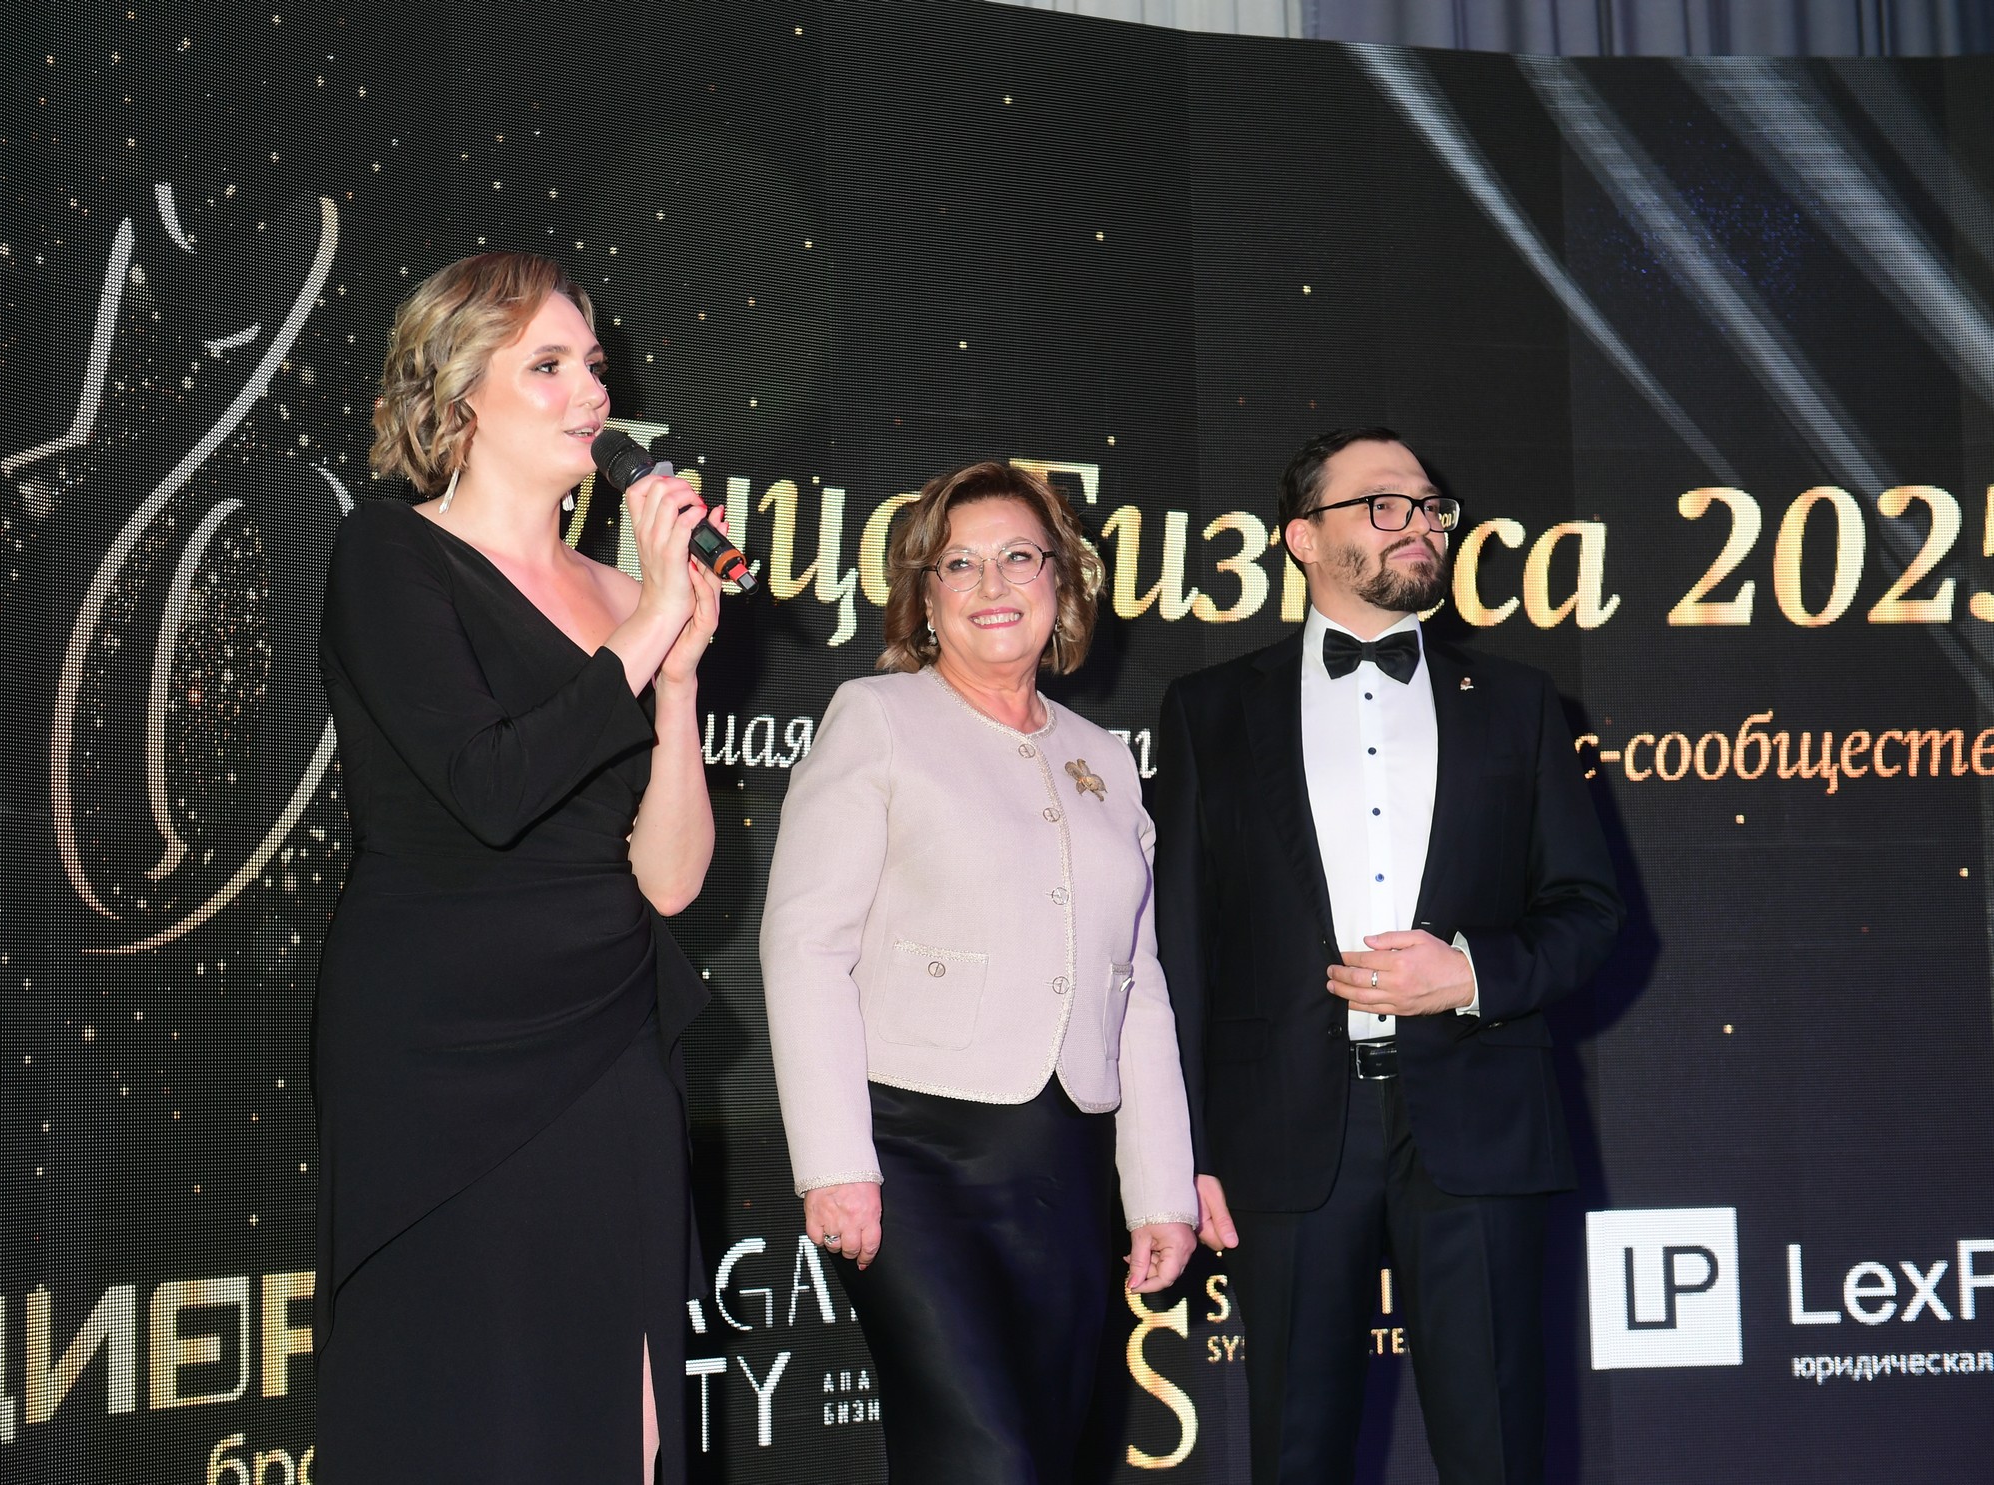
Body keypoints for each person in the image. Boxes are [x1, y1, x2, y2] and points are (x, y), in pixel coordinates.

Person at [310, 251, 726, 1482]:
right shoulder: (390, 554)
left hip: (606, 1024)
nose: (591, 391)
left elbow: (670, 883)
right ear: (457, 397)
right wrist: (650, 626)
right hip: (436, 1040)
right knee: (462, 1413)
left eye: (591, 364)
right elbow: (489, 788)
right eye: (547, 365)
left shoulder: (621, 595)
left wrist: (679, 680)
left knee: (629, 1418)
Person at [1155, 427, 1623, 1484]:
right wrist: (1184, 1149)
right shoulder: (1209, 712)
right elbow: (1179, 944)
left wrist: (1470, 974)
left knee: (1498, 1450)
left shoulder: (1519, 704)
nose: (1419, 524)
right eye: (1383, 504)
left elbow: (1588, 911)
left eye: (1428, 507)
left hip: (1479, 1120)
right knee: (1295, 1451)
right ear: (1301, 538)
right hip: (1280, 1127)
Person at [761, 460, 1199, 1484]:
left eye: (1018, 558)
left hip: (1064, 1164)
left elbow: (1135, 985)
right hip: (913, 1158)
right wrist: (834, 1162)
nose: (991, 584)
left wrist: (1159, 1189)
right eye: (958, 564)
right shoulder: (875, 717)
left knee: (1045, 1456)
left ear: (1062, 582)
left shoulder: (1104, 757)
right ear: (924, 596)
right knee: (985, 1460)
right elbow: (804, 943)